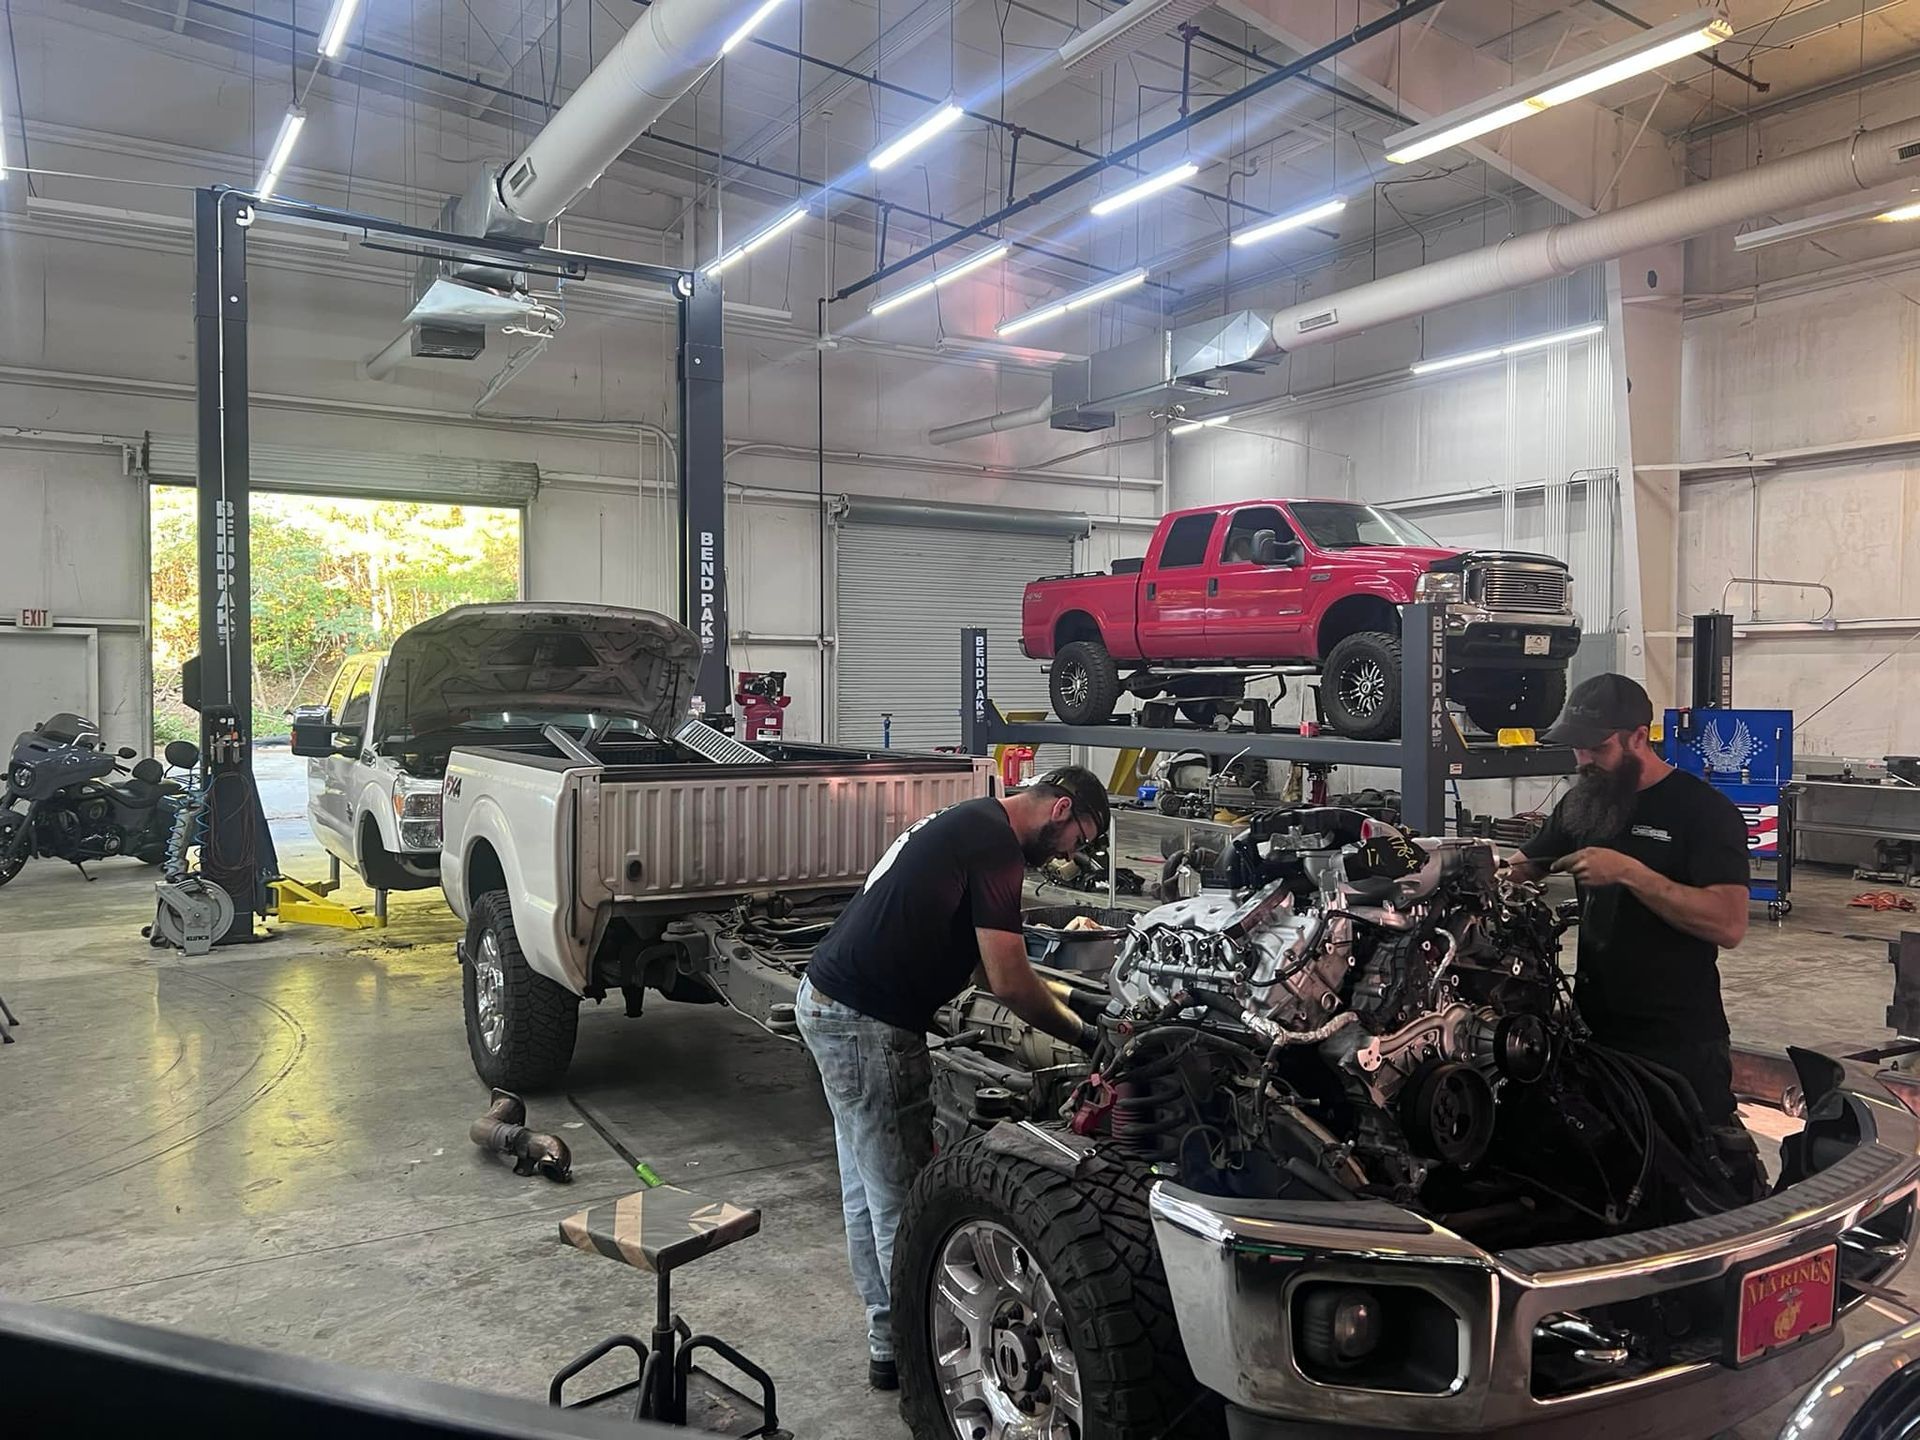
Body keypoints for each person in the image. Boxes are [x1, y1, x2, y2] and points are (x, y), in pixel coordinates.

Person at [795, 766, 1110, 1390]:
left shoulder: (967, 819)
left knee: (865, 1192)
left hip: (828, 1004)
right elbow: (1011, 982)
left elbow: (989, 975)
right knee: (904, 1204)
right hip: (868, 1025)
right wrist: (1085, 1036)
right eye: (1082, 837)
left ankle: (888, 1346)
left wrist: (1078, 998)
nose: (1075, 854)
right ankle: (918, 1366)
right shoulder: (996, 848)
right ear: (1061, 809)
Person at [1510, 673, 1761, 1187]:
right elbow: (1522, 866)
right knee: (1609, 1168)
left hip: (1677, 1039)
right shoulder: (1584, 804)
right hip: (1594, 1030)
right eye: (1577, 747)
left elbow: (1729, 923)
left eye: (1597, 748)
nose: (1583, 761)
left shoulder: (1703, 812)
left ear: (1639, 737)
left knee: (1697, 1171)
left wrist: (1629, 872)